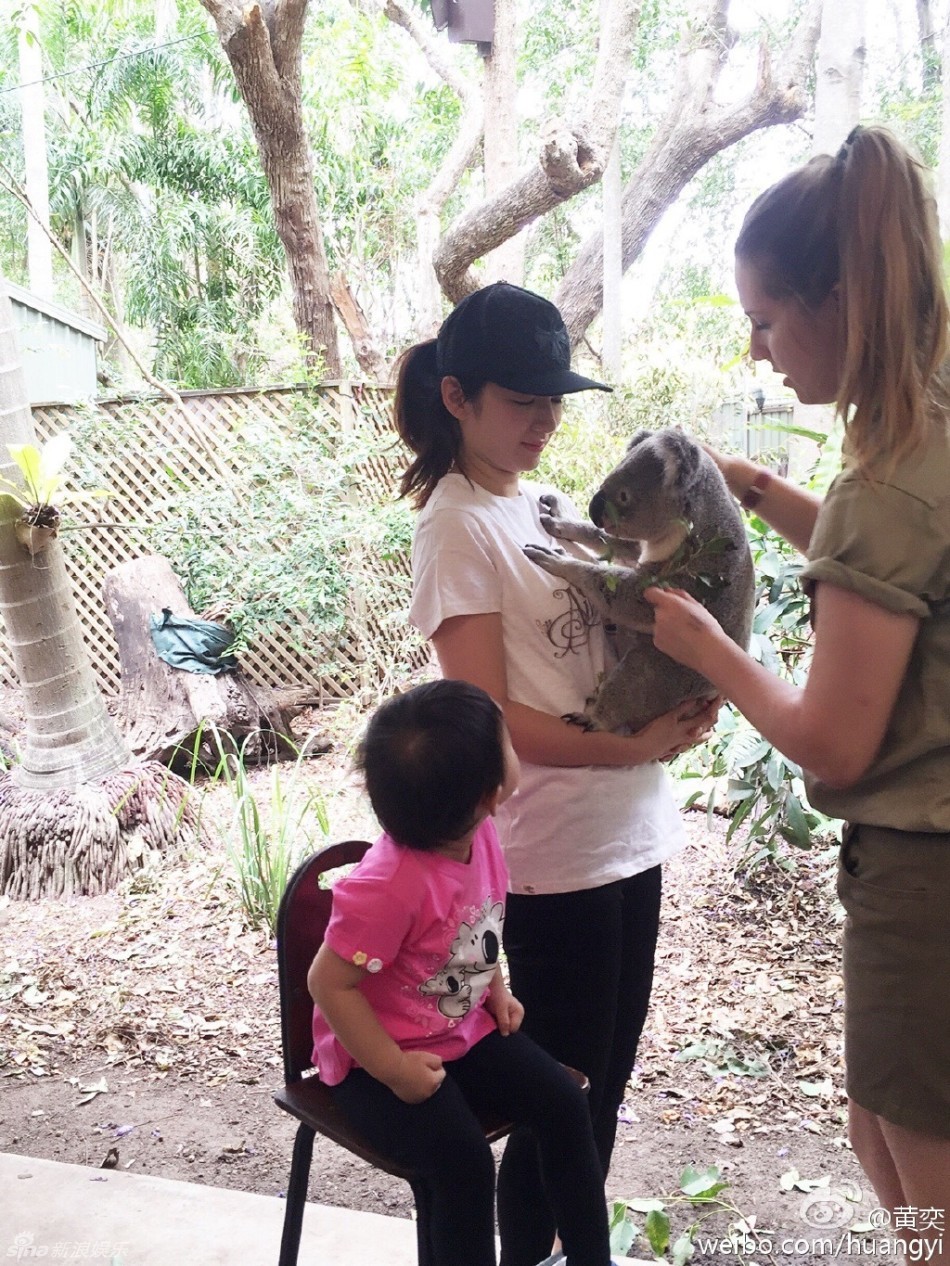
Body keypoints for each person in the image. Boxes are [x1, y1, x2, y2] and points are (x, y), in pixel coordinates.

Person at [644, 125, 950, 1236]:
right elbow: (899, 576)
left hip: (924, 871)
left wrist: (707, 651)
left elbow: (831, 741)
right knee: (877, 1124)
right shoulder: (926, 415)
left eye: (765, 322)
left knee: (923, 1168)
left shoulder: (889, 473)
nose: (759, 352)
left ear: (837, 301)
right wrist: (762, 489)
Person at [393, 281, 718, 1265]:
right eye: (521, 399)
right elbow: (487, 720)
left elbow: (611, 638)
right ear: (456, 397)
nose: (544, 420)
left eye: (554, 400)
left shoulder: (537, 504)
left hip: (628, 828)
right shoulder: (454, 527)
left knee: (599, 1093)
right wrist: (634, 743)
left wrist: (681, 693)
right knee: (561, 1102)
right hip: (551, 854)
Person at [307, 679, 616, 1266]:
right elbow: (328, 983)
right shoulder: (388, 885)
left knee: (565, 1104)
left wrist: (493, 985)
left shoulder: (478, 835)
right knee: (464, 1166)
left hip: (457, 1032)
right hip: (374, 1061)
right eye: (508, 742)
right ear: (489, 792)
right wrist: (395, 1070)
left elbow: (474, 923)